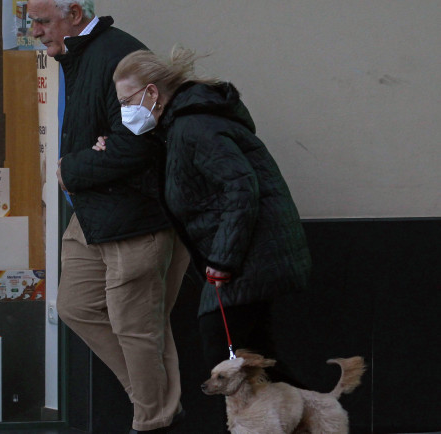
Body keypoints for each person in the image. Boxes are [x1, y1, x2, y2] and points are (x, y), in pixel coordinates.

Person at [108, 46, 312, 431]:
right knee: (254, 356)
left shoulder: (193, 127)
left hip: (250, 256)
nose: (125, 110)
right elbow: (185, 187)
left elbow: (240, 187)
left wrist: (223, 259)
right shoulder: (181, 128)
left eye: (127, 100)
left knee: (226, 353)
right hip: (252, 254)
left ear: (152, 93)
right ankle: (311, 420)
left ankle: (293, 421)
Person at [27, 1, 189, 432]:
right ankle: (154, 397)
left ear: (75, 13)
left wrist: (72, 169)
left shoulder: (120, 55)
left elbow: (138, 144)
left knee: (138, 327)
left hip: (134, 217)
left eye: (43, 21)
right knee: (76, 306)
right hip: (94, 212)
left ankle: (152, 419)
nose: (35, 31)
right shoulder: (75, 56)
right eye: (30, 21)